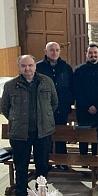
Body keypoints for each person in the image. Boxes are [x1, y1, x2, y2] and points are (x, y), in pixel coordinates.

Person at [1, 55, 58, 196]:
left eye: (30, 65)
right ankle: (20, 194)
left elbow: (54, 103)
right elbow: (5, 108)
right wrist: (18, 120)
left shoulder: (46, 82)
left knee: (42, 164)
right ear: (19, 67)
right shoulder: (10, 85)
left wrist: (44, 117)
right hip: (20, 133)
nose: (27, 69)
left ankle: (41, 194)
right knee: (21, 165)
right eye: (23, 66)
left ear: (35, 66)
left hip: (43, 131)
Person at [36, 42, 74, 170]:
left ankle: (62, 162)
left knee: (61, 135)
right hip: (44, 109)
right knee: (46, 137)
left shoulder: (65, 67)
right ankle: (47, 162)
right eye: (52, 50)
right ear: (46, 51)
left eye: (57, 50)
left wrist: (68, 102)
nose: (55, 52)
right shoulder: (38, 68)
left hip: (62, 107)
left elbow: (71, 88)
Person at [73, 44, 98, 155]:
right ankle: (83, 159)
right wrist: (87, 106)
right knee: (83, 135)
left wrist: (97, 106)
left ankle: (96, 156)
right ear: (86, 54)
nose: (93, 55)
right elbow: (76, 90)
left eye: (95, 52)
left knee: (97, 135)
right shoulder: (79, 70)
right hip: (83, 109)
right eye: (90, 53)